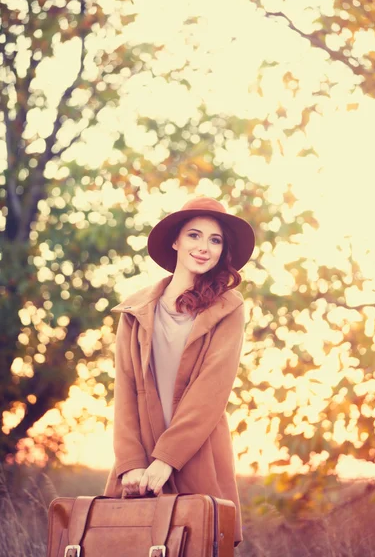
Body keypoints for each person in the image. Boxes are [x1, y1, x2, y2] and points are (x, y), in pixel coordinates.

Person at [103, 195, 255, 549]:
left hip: (198, 456)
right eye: (194, 236)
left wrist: (166, 460)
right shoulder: (135, 309)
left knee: (197, 542)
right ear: (175, 240)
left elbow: (210, 392)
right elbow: (124, 391)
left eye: (215, 240)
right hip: (140, 464)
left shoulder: (228, 308)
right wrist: (130, 464)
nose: (204, 247)